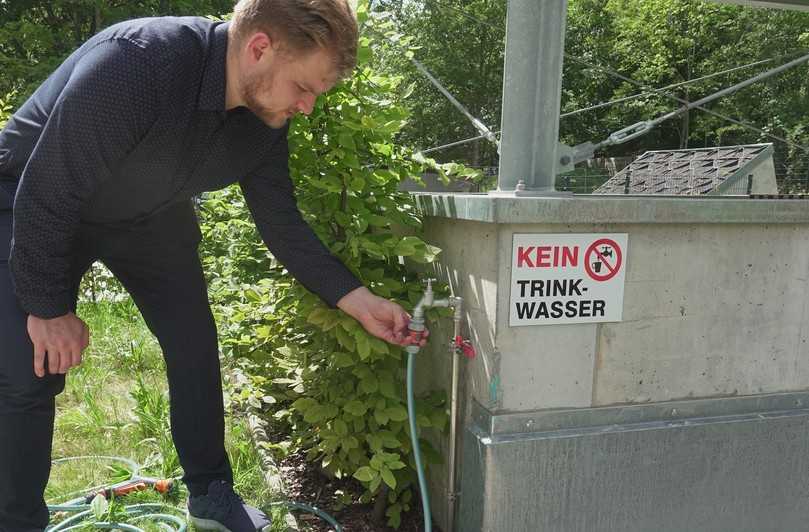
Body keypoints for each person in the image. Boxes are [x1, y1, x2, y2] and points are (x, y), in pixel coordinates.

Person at [0, 1, 426, 531]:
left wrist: (356, 299)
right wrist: (48, 307)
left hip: (148, 214)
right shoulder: (137, 63)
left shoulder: (264, 118)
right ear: (259, 48)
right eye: (305, 87)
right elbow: (49, 188)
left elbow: (282, 222)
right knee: (26, 369)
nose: (308, 106)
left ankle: (211, 497)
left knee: (194, 343)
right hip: (31, 197)